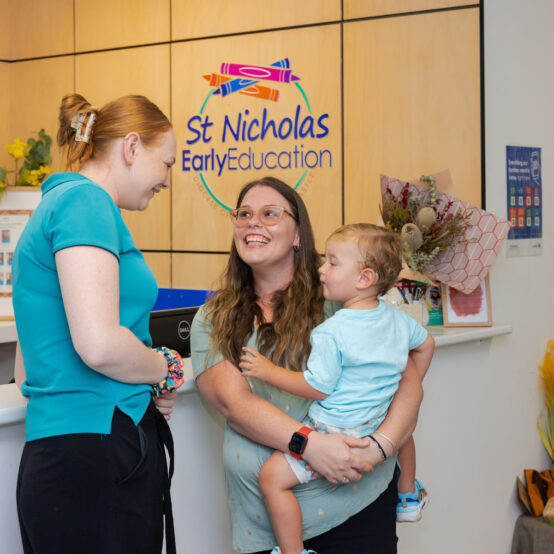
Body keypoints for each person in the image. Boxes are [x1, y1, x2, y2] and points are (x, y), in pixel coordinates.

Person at [191, 176, 425, 554]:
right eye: (244, 214)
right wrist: (310, 446)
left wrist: (380, 448)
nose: (253, 222)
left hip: (357, 505)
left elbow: (408, 384)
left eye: (270, 214)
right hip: (265, 523)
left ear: (298, 234)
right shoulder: (212, 318)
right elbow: (236, 405)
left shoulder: (341, 296)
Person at [13, 93, 182, 554]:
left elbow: (25, 368)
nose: (166, 180)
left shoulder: (56, 204)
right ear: (131, 147)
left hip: (70, 453)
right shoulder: (86, 204)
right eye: (165, 163)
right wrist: (163, 366)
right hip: (98, 453)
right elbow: (101, 346)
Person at [238, 223, 435, 554]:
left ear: (364, 278)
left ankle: (292, 551)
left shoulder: (332, 331)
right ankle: (407, 496)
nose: (322, 269)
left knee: (271, 479)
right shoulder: (398, 320)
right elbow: (426, 345)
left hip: (336, 430)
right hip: (376, 423)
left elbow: (316, 386)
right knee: (405, 433)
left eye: (332, 262)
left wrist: (269, 371)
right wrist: (391, 388)